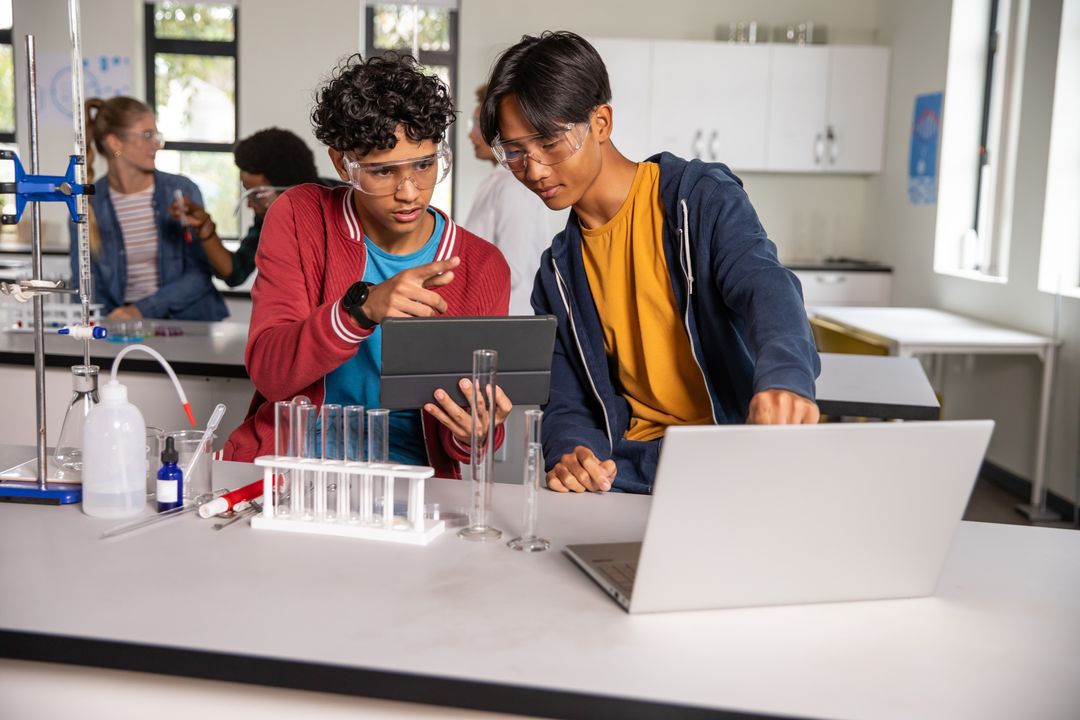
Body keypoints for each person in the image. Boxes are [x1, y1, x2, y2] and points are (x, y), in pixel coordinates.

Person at [479, 32, 821, 494]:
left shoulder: (698, 201)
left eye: (550, 142)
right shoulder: (557, 273)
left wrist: (785, 379)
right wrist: (570, 453)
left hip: (730, 462)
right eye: (516, 153)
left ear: (601, 122)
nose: (534, 170)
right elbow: (568, 398)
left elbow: (766, 286)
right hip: (628, 476)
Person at [224, 53, 513, 477]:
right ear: (343, 163)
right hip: (291, 466)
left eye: (425, 164)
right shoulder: (301, 217)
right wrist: (361, 309)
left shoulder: (482, 266)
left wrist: (474, 431)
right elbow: (271, 374)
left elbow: (468, 443)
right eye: (383, 172)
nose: (410, 192)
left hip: (414, 483)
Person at [70, 96, 227, 321]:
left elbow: (200, 273)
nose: (157, 143)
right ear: (115, 143)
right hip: (125, 328)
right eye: (147, 135)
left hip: (189, 325)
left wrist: (141, 310)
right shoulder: (89, 203)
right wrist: (105, 326)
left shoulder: (181, 191)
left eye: (156, 135)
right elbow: (85, 282)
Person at [169, 127, 326, 287]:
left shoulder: (337, 202)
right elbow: (235, 272)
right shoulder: (268, 218)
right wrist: (204, 227)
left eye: (256, 196)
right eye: (247, 193)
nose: (249, 204)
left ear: (288, 189)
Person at [465, 84, 552, 315]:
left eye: (476, 125)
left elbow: (511, 268)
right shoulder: (497, 182)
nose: (470, 135)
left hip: (510, 318)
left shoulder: (513, 187)